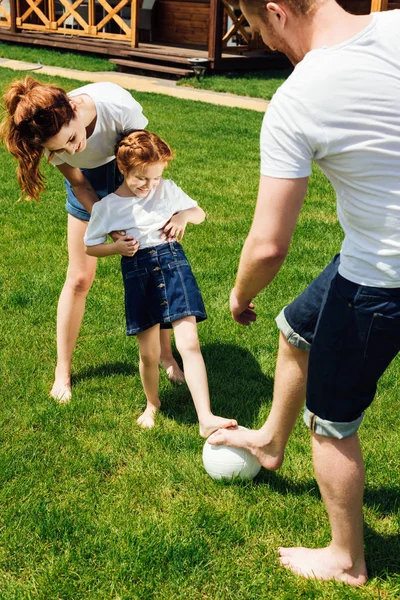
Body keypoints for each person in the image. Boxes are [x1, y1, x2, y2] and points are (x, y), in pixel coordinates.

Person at [208, 0, 400, 586]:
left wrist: (240, 295)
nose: (265, 43)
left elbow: (269, 246)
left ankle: (346, 558)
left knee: (333, 421)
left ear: (276, 12)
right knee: (298, 325)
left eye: (257, 27)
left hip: (382, 276)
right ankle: (268, 441)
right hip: (368, 251)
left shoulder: (297, 99)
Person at [1, 77, 184, 404]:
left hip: (130, 176)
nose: (73, 149)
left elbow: (145, 159)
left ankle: (165, 355)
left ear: (74, 108)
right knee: (79, 278)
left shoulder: (117, 107)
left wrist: (142, 211)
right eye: (61, 149)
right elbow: (81, 185)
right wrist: (109, 223)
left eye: (71, 138)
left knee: (154, 270)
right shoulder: (51, 135)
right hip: (88, 189)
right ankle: (63, 370)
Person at [84, 129, 237, 436]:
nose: (149, 186)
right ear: (123, 168)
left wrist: (182, 217)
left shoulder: (165, 190)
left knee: (189, 343)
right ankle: (153, 403)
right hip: (139, 273)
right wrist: (115, 248)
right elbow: (90, 245)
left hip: (173, 264)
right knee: (148, 354)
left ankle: (205, 417)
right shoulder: (108, 207)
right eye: (141, 178)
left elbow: (199, 213)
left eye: (154, 178)